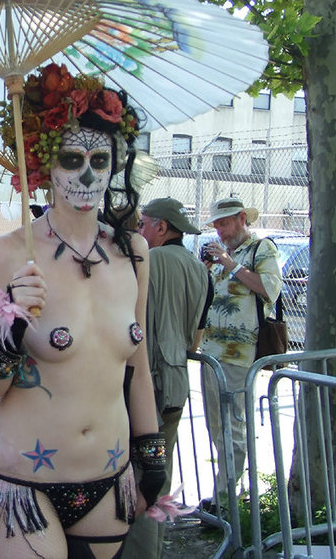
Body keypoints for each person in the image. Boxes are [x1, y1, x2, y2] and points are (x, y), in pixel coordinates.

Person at [0, 63, 164, 559]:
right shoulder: (7, 256)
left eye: (101, 160)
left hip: (110, 480)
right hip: (22, 484)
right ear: (43, 166)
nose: (87, 174)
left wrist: (152, 454)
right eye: (72, 159)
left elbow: (136, 367)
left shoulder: (134, 252)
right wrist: (10, 327)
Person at [125, 197, 214, 558]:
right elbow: (198, 332)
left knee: (139, 477)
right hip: (176, 382)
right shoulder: (198, 266)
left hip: (149, 383)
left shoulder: (151, 259)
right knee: (160, 472)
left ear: (161, 228)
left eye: (143, 224)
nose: (139, 231)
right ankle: (154, 549)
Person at [198, 197, 283, 511]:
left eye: (224, 222)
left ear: (242, 218)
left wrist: (231, 265)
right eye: (216, 224)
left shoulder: (262, 250)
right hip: (212, 351)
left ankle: (225, 497)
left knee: (234, 424)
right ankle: (236, 486)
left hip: (241, 353)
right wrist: (205, 269)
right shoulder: (224, 255)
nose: (219, 230)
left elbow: (269, 289)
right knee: (217, 426)